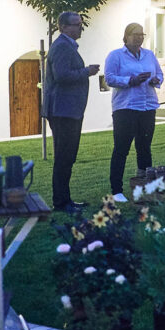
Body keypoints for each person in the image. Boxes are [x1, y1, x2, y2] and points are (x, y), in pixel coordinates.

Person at [45, 11, 100, 213]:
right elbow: (61, 76)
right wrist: (86, 71)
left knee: (68, 156)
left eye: (80, 23)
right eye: (76, 24)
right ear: (63, 27)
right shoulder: (61, 46)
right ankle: (60, 202)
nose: (80, 27)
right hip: (63, 110)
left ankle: (65, 199)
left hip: (69, 110)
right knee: (64, 156)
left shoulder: (67, 46)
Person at [104, 23, 163, 203]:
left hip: (147, 106)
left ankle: (143, 186)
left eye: (141, 35)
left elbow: (160, 74)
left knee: (144, 147)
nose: (139, 38)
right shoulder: (116, 56)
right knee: (121, 148)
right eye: (135, 34)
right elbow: (109, 78)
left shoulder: (149, 55)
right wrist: (131, 80)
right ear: (126, 36)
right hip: (126, 108)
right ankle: (116, 190)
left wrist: (155, 80)